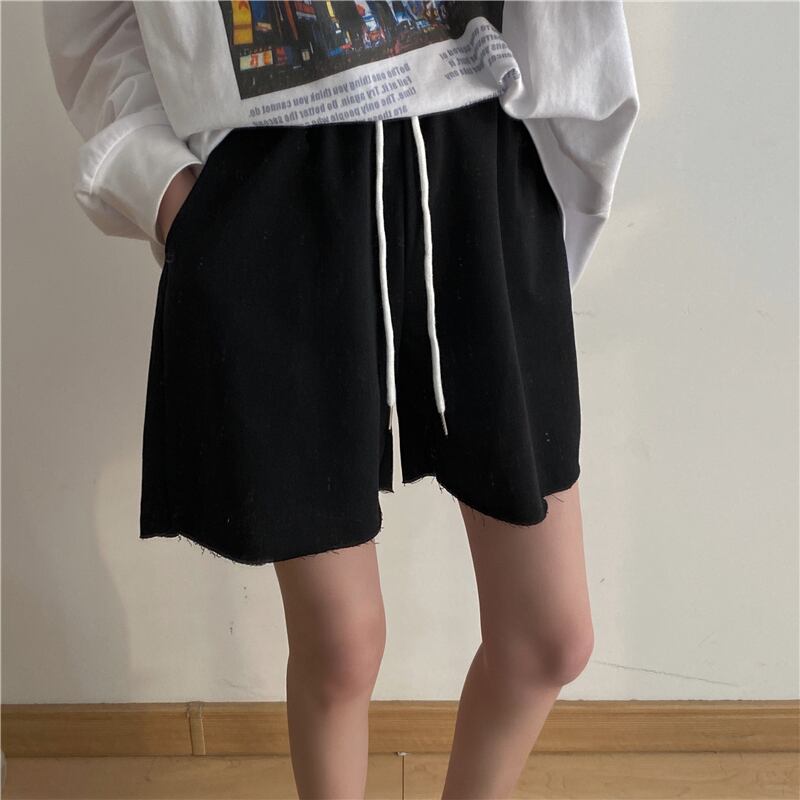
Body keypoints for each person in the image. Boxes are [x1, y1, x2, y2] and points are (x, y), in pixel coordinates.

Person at [41, 2, 639, 797]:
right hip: (279, 176)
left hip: (478, 158)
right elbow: (94, 22)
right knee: (342, 645)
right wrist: (169, 190)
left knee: (551, 636)